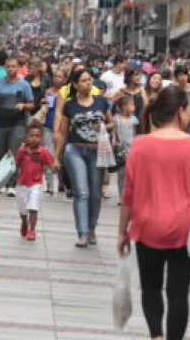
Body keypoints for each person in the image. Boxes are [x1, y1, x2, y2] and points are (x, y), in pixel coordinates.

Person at [117, 86, 190, 340]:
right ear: (180, 111)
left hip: (147, 225)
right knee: (178, 293)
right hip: (187, 227)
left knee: (151, 286)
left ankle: (156, 336)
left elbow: (129, 193)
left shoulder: (140, 144)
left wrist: (122, 232)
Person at [55, 69, 112, 248]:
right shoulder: (70, 105)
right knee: (82, 192)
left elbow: (112, 123)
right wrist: (56, 157)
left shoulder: (102, 102)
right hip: (75, 151)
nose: (88, 83)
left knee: (95, 194)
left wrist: (105, 125)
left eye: (90, 80)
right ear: (75, 84)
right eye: (84, 80)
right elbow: (64, 133)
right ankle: (82, 232)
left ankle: (92, 228)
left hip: (97, 152)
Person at [0, 58, 34, 197]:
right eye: (8, 66)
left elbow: (31, 104)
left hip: (18, 123)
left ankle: (12, 184)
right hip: (0, 122)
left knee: (13, 151)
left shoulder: (24, 85)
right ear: (5, 68)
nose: (10, 69)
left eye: (13, 66)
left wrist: (23, 105)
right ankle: (2, 183)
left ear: (18, 68)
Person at [15, 124, 58, 241]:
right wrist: (18, 155)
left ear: (41, 138)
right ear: (26, 137)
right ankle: (24, 222)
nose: (34, 138)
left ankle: (32, 230)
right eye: (31, 135)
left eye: (37, 136)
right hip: (22, 184)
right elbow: (17, 164)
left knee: (33, 208)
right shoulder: (21, 150)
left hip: (36, 184)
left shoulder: (42, 151)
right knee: (23, 210)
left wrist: (54, 166)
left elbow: (50, 162)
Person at [43, 69, 66, 195]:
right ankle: (50, 184)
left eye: (60, 77)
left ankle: (62, 182)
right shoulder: (48, 92)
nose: (57, 79)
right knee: (48, 155)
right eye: (55, 76)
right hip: (48, 126)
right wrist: (42, 103)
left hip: (63, 128)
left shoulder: (66, 93)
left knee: (61, 157)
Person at [113, 95, 138, 199]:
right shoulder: (116, 119)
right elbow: (114, 132)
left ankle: (131, 194)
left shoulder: (133, 119)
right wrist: (115, 141)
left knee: (132, 173)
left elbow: (134, 133)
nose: (134, 107)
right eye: (131, 105)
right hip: (120, 149)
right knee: (121, 173)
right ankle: (121, 196)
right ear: (124, 106)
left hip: (131, 148)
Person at [113, 67, 147, 133]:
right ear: (129, 77)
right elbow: (114, 111)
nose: (139, 77)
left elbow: (146, 108)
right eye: (136, 74)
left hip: (139, 126)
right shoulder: (120, 92)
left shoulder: (142, 91)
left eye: (140, 74)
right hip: (124, 127)